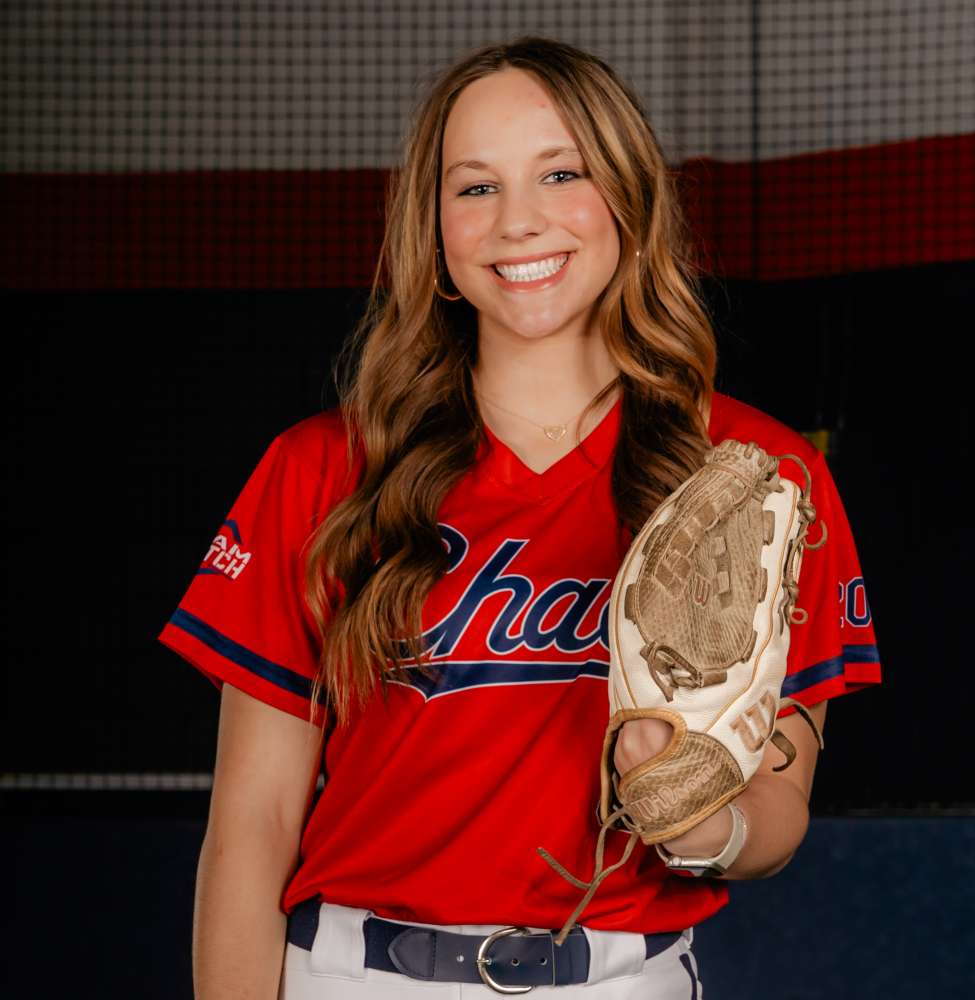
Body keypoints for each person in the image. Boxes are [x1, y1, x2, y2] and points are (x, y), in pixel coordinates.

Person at [159, 36, 881, 999]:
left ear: (629, 199)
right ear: (435, 233)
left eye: (561, 173)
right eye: (476, 187)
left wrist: (705, 824)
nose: (518, 221)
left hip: (624, 980)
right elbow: (252, 826)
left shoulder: (758, 473)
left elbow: (781, 808)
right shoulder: (320, 469)